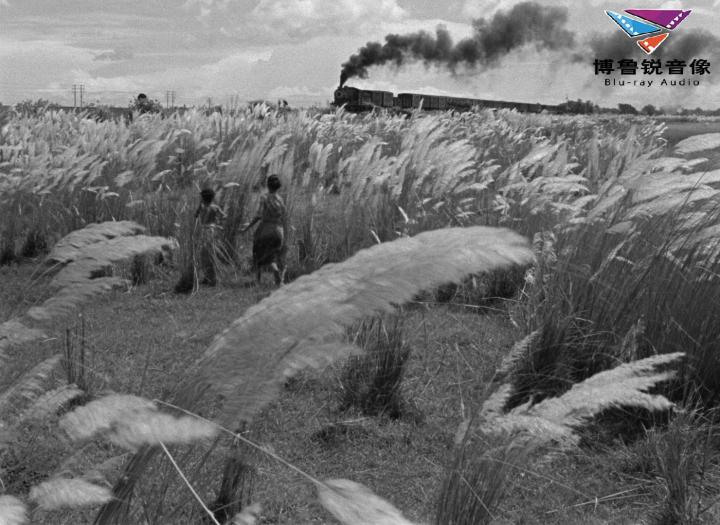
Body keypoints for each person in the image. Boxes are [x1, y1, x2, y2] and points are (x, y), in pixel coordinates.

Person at [242, 175, 286, 286]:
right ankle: (277, 275)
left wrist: (247, 228)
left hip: (265, 230)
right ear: (278, 187)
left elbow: (259, 215)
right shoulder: (281, 199)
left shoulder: (264, 197)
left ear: (268, 185)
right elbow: (284, 215)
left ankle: (257, 281)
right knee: (272, 255)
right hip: (279, 231)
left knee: (257, 253)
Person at [195, 188, 226, 286]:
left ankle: (211, 279)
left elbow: (195, 216)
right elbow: (224, 216)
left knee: (204, 255)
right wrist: (218, 223)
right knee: (210, 254)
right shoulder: (215, 207)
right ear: (212, 198)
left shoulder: (201, 207)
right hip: (212, 230)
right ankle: (209, 277)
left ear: (202, 198)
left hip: (204, 230)